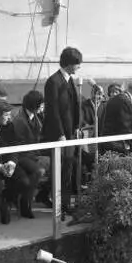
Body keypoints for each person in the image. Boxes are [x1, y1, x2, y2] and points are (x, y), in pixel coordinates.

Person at [42, 47, 84, 218]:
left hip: (71, 133)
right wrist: (60, 133)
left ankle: (63, 202)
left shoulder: (69, 80)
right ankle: (60, 204)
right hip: (60, 135)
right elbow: (52, 111)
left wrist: (77, 128)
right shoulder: (53, 81)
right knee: (62, 170)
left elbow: (73, 107)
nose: (79, 68)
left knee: (68, 169)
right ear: (69, 64)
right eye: (77, 64)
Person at [12, 90, 52, 209]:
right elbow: (19, 146)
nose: (43, 106)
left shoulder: (36, 116)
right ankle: (26, 201)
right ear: (34, 105)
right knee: (40, 171)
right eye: (41, 104)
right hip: (22, 156)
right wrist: (38, 158)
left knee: (61, 161)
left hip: (34, 152)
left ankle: (43, 194)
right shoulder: (20, 121)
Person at [101, 79, 132, 155]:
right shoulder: (125, 101)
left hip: (108, 141)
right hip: (116, 144)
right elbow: (125, 127)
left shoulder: (115, 98)